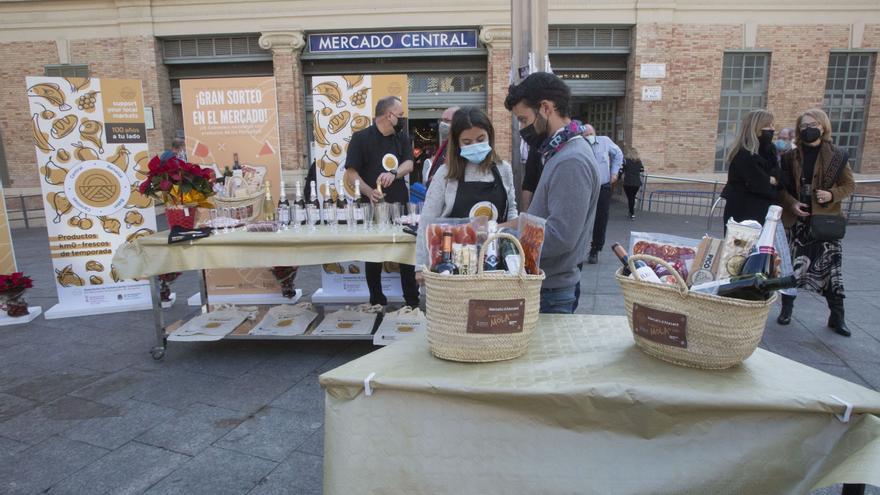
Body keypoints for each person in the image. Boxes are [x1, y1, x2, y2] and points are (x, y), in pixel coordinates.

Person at [505, 72, 600, 314]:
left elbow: (559, 236)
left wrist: (504, 242)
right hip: (547, 286)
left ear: (545, 108)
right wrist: (500, 228)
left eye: (524, 119)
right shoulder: (559, 152)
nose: (523, 129)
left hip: (551, 291)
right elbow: (542, 219)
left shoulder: (571, 160)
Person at [415, 107, 518, 280]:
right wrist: (420, 265)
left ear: (490, 137)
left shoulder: (503, 169)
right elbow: (427, 222)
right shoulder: (445, 174)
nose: (475, 146)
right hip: (453, 267)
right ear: (457, 143)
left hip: (496, 267)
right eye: (467, 142)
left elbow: (511, 212)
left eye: (480, 139)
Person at [778, 108, 855, 336]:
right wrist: (791, 203)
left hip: (825, 221)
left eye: (812, 124)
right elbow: (781, 188)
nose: (808, 129)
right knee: (790, 268)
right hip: (798, 221)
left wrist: (831, 195)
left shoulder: (837, 156)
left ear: (823, 126)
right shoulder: (790, 157)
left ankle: (837, 316)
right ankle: (786, 311)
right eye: (803, 125)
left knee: (831, 270)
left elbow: (849, 185)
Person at [344, 95, 420, 309]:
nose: (402, 119)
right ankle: (377, 300)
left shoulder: (402, 137)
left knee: (406, 252)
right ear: (389, 115)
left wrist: (394, 173)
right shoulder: (361, 138)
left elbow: (409, 164)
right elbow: (351, 172)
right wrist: (368, 191)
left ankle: (412, 302)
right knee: (374, 254)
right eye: (400, 115)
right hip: (373, 207)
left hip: (401, 205)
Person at [721, 109, 782, 228]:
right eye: (766, 125)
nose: (771, 129)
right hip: (743, 214)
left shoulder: (770, 150)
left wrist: (773, 179)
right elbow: (761, 185)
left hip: (764, 213)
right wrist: (772, 180)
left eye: (772, 125)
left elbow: (781, 176)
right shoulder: (744, 154)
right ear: (755, 128)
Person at [583, 125, 623, 264]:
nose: (588, 136)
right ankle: (579, 247)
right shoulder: (580, 146)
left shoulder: (605, 141)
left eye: (590, 133)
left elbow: (618, 154)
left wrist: (614, 172)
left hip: (603, 186)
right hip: (586, 188)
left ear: (595, 132)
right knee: (583, 218)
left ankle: (595, 249)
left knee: (601, 218)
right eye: (585, 134)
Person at [425, 106, 460, 185]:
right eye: (442, 120)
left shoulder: (459, 146)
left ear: (458, 122)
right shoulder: (447, 143)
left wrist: (437, 177)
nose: (442, 124)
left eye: (447, 120)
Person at [622, 146, 645, 219]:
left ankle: (631, 213)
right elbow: (642, 170)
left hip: (627, 182)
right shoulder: (639, 161)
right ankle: (631, 212)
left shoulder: (625, 161)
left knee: (630, 197)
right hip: (636, 183)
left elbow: (621, 170)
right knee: (632, 197)